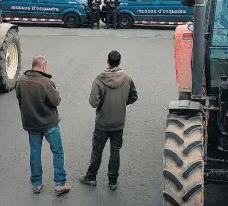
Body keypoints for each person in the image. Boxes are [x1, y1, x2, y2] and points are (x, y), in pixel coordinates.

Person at [79, 50, 138, 190]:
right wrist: (122, 103)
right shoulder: (127, 78)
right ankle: (112, 181)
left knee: (97, 151)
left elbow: (93, 102)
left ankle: (91, 177)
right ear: (119, 61)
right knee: (115, 151)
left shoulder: (99, 80)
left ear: (107, 61)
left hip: (102, 123)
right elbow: (134, 96)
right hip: (118, 123)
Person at [16, 55, 70, 196]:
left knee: (35, 152)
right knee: (57, 151)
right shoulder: (46, 82)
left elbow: (19, 98)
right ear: (43, 66)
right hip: (48, 123)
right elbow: (56, 101)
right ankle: (60, 183)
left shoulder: (20, 81)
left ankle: (36, 183)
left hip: (31, 124)